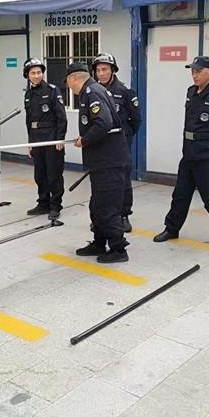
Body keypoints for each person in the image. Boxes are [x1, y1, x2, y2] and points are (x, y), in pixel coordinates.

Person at [153, 55, 209, 250]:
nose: (194, 75)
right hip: (189, 155)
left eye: (198, 71)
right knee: (180, 196)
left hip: (208, 158)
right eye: (192, 71)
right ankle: (171, 229)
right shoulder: (191, 92)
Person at [65, 62, 131, 263]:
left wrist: (85, 140)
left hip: (108, 162)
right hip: (102, 162)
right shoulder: (93, 90)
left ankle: (119, 249)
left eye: (68, 82)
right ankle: (99, 242)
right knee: (97, 205)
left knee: (106, 207)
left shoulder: (92, 92)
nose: (69, 87)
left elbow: (103, 123)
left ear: (73, 79)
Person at [91, 53, 142, 232]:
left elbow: (136, 120)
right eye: (98, 70)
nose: (101, 73)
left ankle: (123, 215)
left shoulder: (125, 92)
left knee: (122, 180)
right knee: (101, 182)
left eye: (105, 69)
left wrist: (124, 138)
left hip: (120, 145)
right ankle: (102, 216)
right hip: (100, 145)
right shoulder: (92, 92)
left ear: (113, 70)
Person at [22, 57, 67, 220]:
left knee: (53, 174)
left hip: (51, 138)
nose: (36, 76)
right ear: (27, 75)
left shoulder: (52, 91)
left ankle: (55, 206)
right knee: (40, 174)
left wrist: (60, 139)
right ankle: (43, 203)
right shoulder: (28, 94)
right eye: (33, 73)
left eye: (39, 72)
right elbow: (29, 121)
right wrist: (30, 143)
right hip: (36, 138)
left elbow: (61, 117)